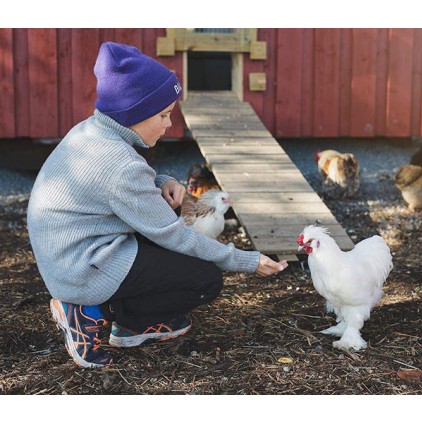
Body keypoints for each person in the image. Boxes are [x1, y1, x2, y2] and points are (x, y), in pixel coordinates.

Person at [27, 41, 288, 368]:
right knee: (205, 279)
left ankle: (133, 322)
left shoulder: (93, 132)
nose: (169, 125)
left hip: (71, 255)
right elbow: (175, 236)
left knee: (172, 221)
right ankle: (89, 312)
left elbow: (113, 187)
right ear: (136, 112)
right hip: (81, 269)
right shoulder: (121, 165)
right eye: (164, 115)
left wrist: (162, 180)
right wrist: (244, 259)